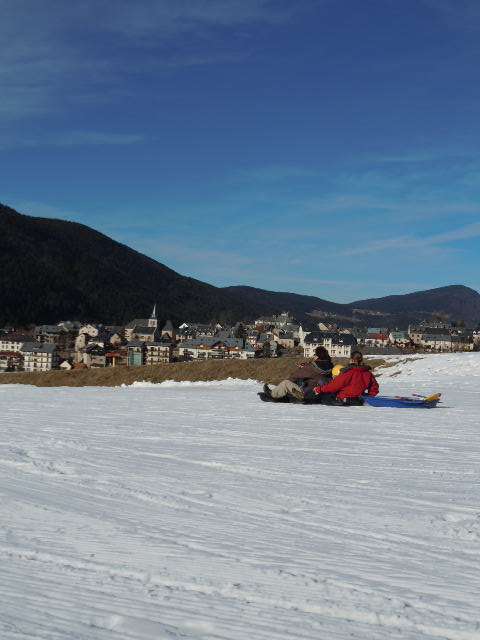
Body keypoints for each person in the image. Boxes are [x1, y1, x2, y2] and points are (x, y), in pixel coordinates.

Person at [264, 346, 333, 401]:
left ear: (317, 356)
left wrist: (302, 368)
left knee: (286, 383)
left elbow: (295, 376)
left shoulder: (311, 367)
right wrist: (306, 365)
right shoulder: (330, 366)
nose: (313, 356)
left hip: (308, 393)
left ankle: (273, 394)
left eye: (315, 355)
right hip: (320, 393)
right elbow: (316, 372)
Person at [313, 351, 379, 405]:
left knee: (322, 398)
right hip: (359, 400)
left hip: (344, 400)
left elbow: (334, 386)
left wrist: (319, 389)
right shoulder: (368, 373)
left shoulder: (348, 372)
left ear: (352, 360)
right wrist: (369, 395)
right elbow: (374, 386)